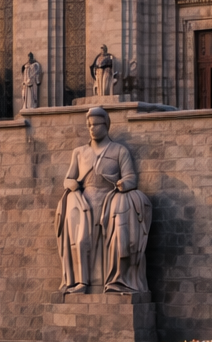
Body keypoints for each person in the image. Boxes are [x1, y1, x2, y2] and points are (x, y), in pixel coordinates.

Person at [54, 108, 151, 294]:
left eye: (96, 124)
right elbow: (68, 178)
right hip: (84, 202)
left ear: (105, 125)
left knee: (111, 238)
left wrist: (123, 184)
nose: (92, 128)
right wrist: (72, 185)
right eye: (89, 125)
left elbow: (131, 177)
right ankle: (81, 282)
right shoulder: (79, 152)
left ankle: (114, 281)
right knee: (82, 240)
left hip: (109, 198)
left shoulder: (119, 150)